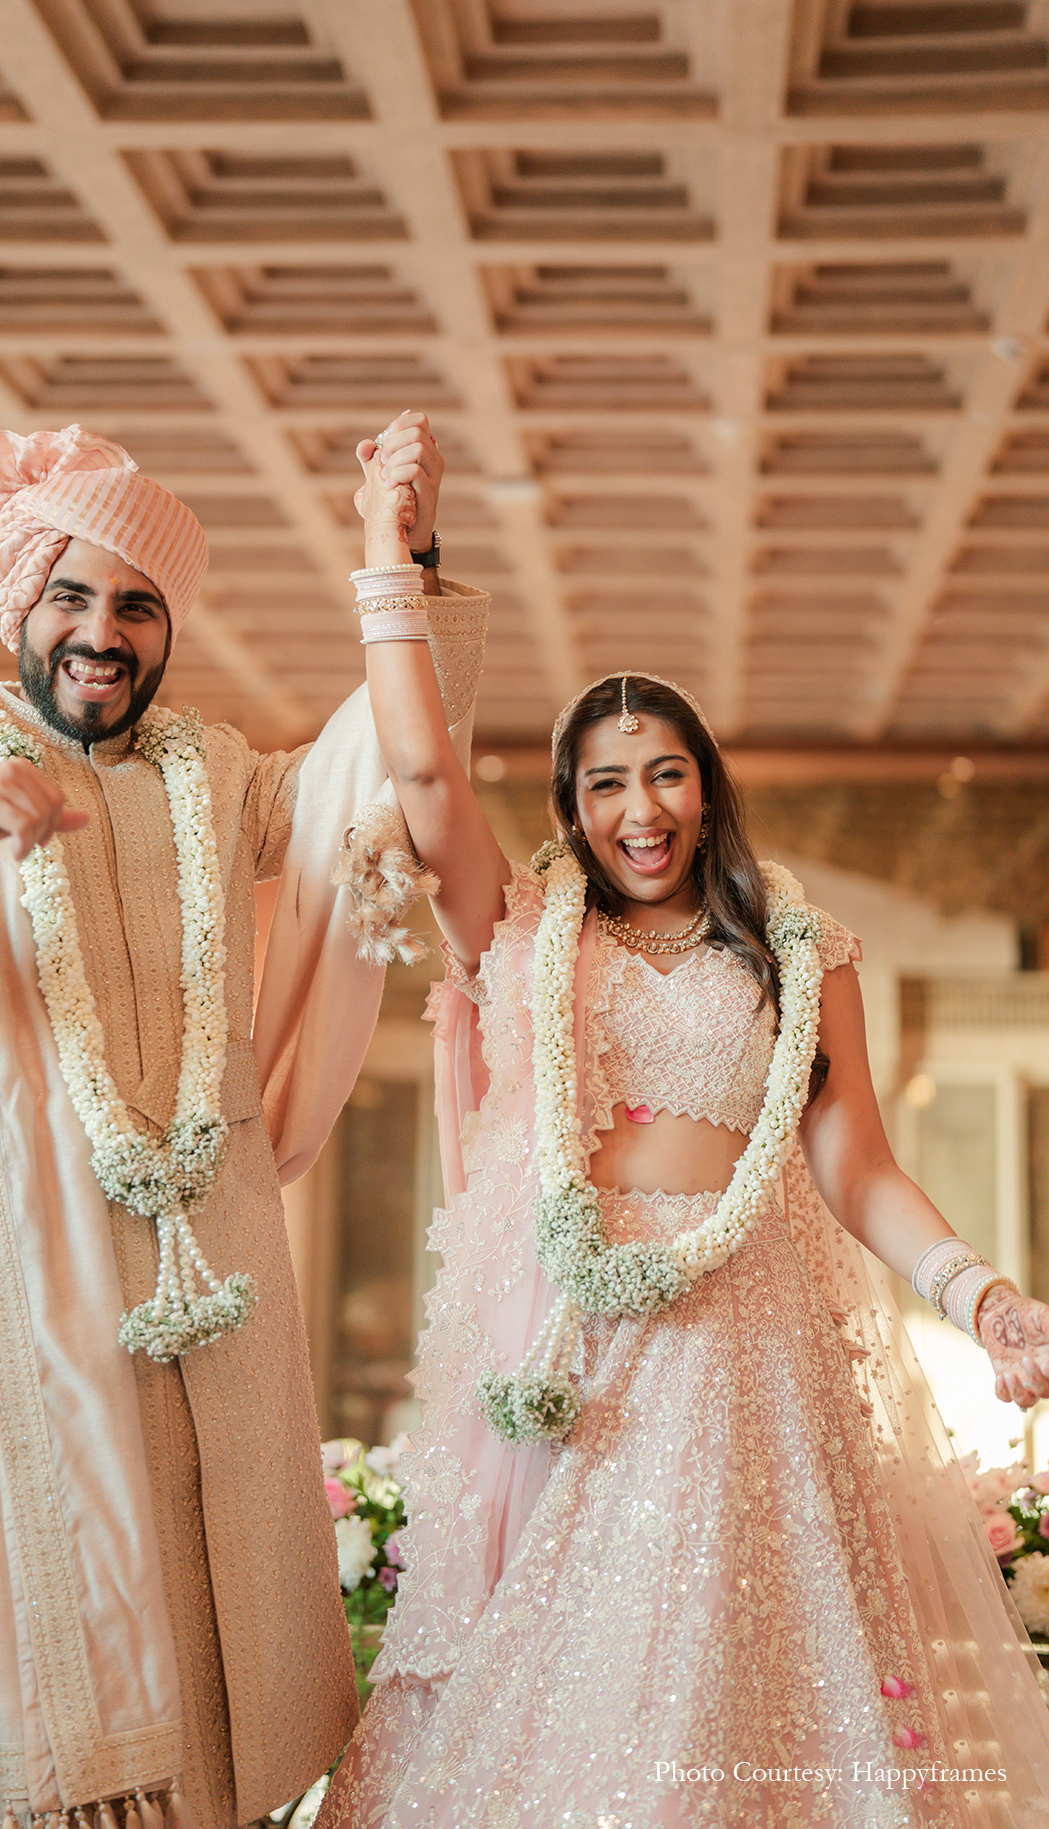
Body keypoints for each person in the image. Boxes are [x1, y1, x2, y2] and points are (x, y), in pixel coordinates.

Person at [316, 426, 1049, 1827]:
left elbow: (860, 1167)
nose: (637, 807)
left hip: (748, 1335)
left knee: (740, 1645)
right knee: (553, 1651)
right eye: (603, 781)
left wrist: (988, 1295)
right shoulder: (523, 927)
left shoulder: (800, 948)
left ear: (704, 782)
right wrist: (387, 550)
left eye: (661, 771)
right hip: (576, 1339)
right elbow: (419, 779)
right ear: (570, 810)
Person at [0, 419, 488, 1828]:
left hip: (209, 1292)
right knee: (39, 1708)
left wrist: (403, 559)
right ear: (19, 605)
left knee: (213, 1672)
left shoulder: (221, 779)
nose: (102, 632)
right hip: (17, 1311)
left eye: (136, 604)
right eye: (71, 595)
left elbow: (376, 775)